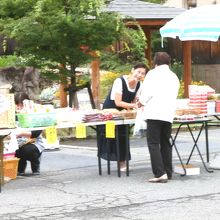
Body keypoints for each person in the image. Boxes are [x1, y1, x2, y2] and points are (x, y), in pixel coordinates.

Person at [139, 52, 180, 183]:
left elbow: (146, 93)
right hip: (168, 114)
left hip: (154, 113)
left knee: (153, 143)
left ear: (155, 62)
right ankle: (168, 172)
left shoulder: (152, 74)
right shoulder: (174, 76)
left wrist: (141, 101)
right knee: (165, 143)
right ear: (169, 63)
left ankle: (160, 173)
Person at [98, 63, 148, 171]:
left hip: (124, 113)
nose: (139, 75)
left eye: (143, 73)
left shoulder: (140, 84)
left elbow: (135, 101)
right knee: (113, 136)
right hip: (111, 110)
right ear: (132, 70)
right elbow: (118, 102)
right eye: (138, 72)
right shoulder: (119, 81)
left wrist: (136, 107)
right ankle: (120, 162)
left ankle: (122, 161)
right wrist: (134, 106)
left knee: (123, 135)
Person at [14, 92, 45, 176]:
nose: (19, 108)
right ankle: (20, 169)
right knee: (14, 149)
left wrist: (21, 133)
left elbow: (36, 133)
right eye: (17, 105)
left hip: (34, 143)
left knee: (27, 150)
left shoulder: (34, 114)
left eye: (21, 106)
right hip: (18, 143)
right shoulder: (13, 115)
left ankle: (35, 165)